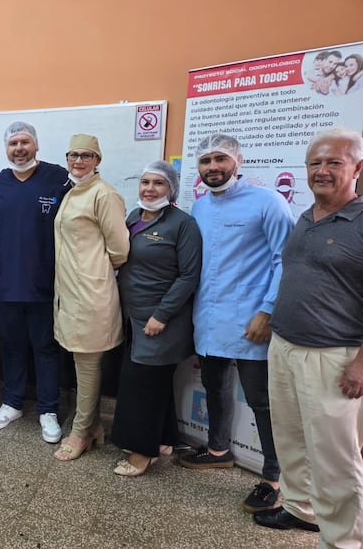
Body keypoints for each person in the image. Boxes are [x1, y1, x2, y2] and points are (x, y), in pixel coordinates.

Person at [254, 129, 363, 545]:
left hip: (333, 357)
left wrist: (359, 364)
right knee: (292, 440)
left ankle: (345, 541)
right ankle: (301, 510)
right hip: (284, 347)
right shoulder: (306, 215)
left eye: (334, 162)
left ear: (357, 168)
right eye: (315, 163)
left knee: (336, 460)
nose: (322, 171)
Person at [180, 133, 295, 514]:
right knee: (215, 387)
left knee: (263, 403)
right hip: (210, 320)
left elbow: (285, 261)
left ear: (238, 161)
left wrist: (267, 311)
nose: (213, 166)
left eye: (221, 159)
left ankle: (274, 479)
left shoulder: (269, 202)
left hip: (252, 321)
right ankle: (218, 449)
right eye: (206, 160)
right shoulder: (199, 207)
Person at [111, 161, 202, 476]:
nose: (149, 189)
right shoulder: (134, 217)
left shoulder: (182, 224)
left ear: (171, 189)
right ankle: (164, 440)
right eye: (145, 182)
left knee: (144, 387)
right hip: (132, 318)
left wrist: (161, 315)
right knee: (155, 385)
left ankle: (142, 453)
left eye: (158, 183)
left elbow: (189, 276)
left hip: (161, 321)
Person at [0, 122, 70, 444]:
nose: (19, 148)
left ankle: (48, 409)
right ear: (6, 148)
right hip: (6, 284)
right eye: (13, 143)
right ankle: (12, 402)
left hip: (45, 286)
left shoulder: (58, 178)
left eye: (25, 142)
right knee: (12, 347)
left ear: (36, 145)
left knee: (46, 348)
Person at [52, 134, 129, 461]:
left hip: (91, 293)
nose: (78, 160)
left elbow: (120, 250)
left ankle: (81, 432)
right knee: (81, 360)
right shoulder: (73, 192)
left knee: (87, 363)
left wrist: (92, 273)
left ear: (97, 160)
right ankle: (94, 425)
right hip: (71, 292)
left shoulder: (104, 194)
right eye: (73, 155)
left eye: (86, 155)